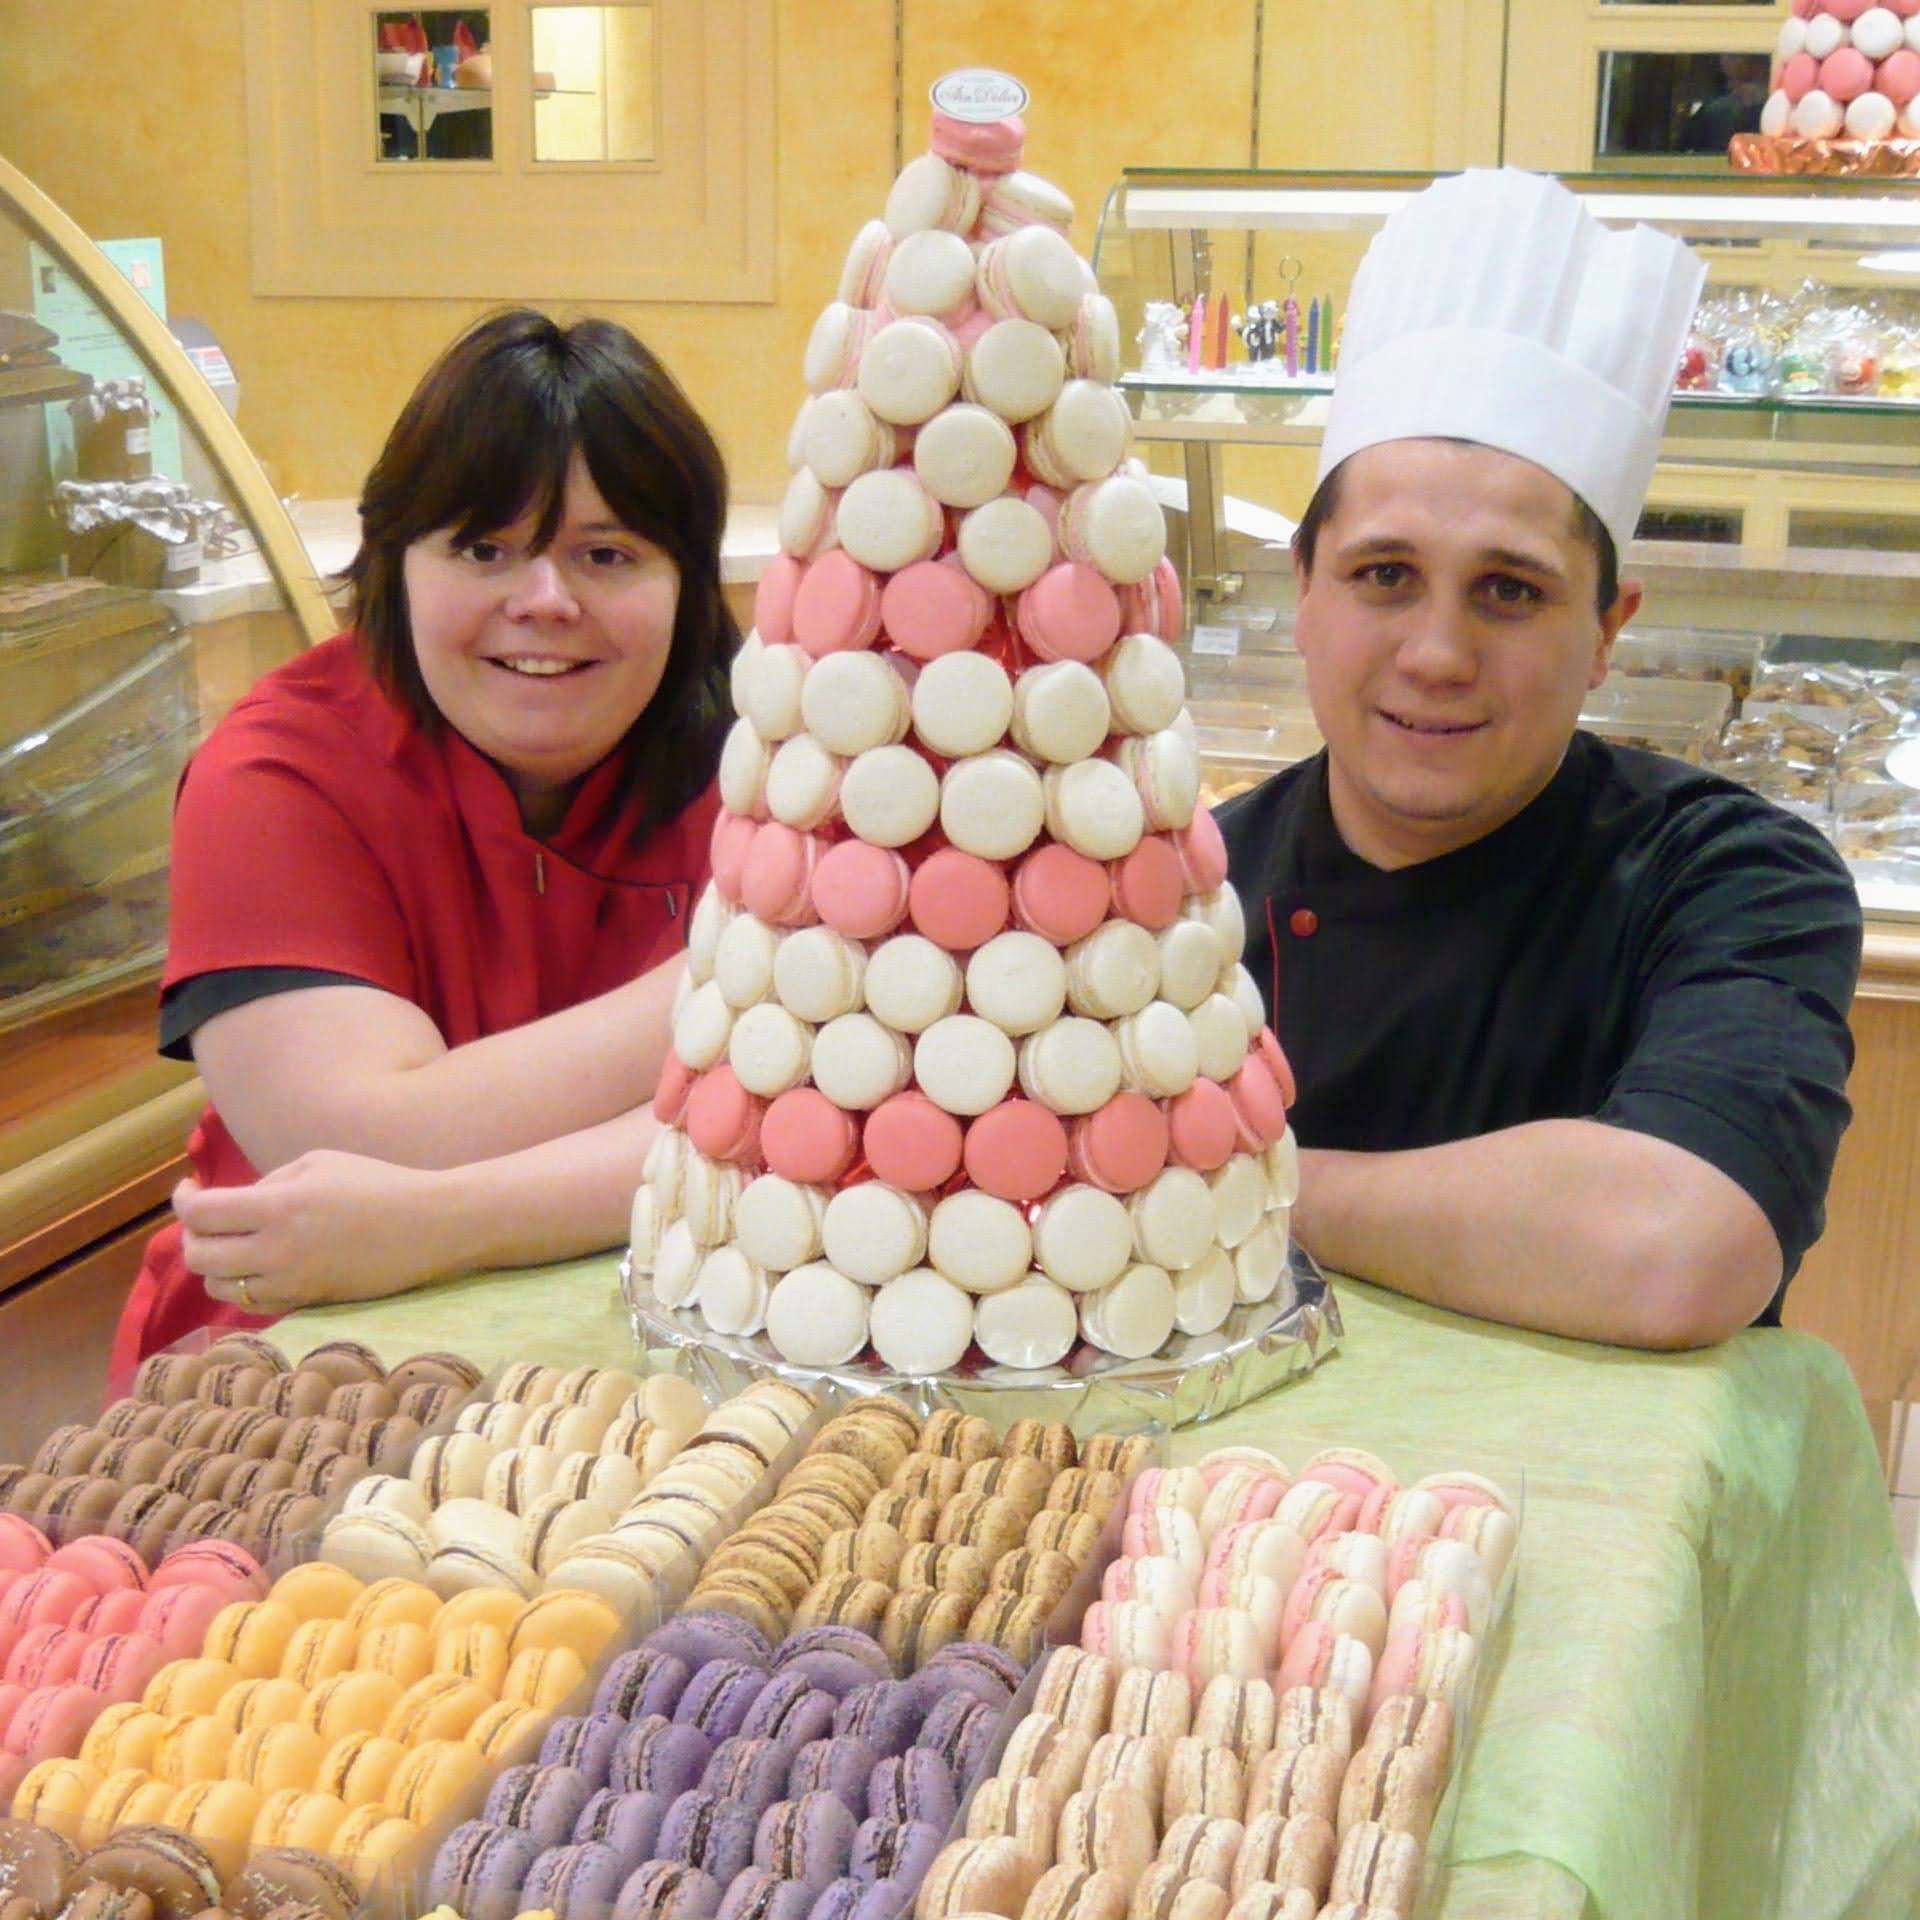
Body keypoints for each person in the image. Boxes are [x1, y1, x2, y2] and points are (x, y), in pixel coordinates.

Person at [1218, 169, 1862, 1352]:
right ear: (1302, 593)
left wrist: (1216, 1191)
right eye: (1383, 575)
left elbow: (1677, 1248)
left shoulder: (1731, 877)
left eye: (1509, 591)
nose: (1438, 654)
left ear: (1607, 632)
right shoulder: (1181, 893)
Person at [109, 308, 734, 1389]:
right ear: (394, 562)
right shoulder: (278, 775)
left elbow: (797, 1136)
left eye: (607, 552)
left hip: (661, 1344)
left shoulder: (771, 757)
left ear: (687, 579)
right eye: (484, 547)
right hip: (295, 1364)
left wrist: (439, 1221)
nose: (545, 601)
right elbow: (363, 1140)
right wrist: (751, 973)